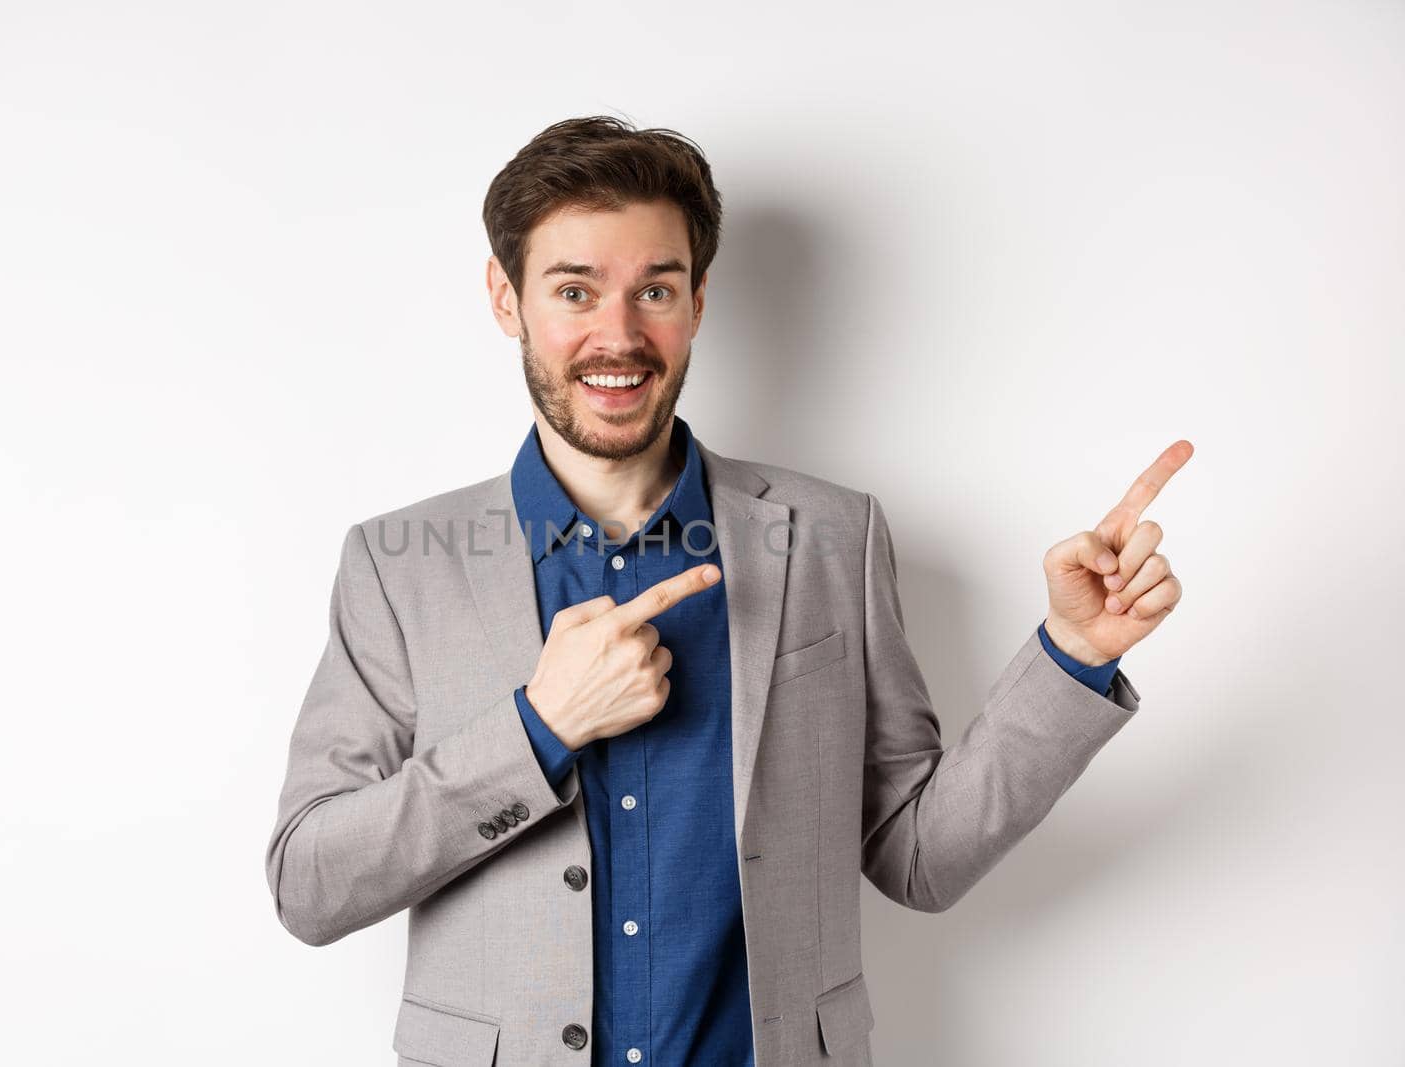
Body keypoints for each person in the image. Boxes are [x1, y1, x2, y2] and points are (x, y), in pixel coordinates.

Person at [264, 115, 1190, 1067]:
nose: (616, 336)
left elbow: (918, 856)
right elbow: (310, 883)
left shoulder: (835, 537)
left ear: (698, 300)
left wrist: (1076, 653)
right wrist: (540, 727)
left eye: (653, 289)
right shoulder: (399, 565)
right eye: (574, 289)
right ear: (507, 296)